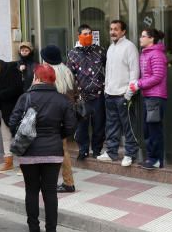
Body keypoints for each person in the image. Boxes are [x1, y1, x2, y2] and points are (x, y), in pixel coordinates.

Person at [9, 64, 77, 232]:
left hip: (29, 152)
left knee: (31, 190)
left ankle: (33, 229)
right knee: (50, 191)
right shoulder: (63, 100)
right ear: (53, 79)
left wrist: (24, 135)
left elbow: (13, 122)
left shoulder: (25, 98)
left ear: (37, 78)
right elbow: (70, 127)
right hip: (53, 151)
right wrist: (56, 135)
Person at [98, 19, 140, 166]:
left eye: (116, 29)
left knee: (128, 125)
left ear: (123, 31)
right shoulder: (110, 48)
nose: (112, 32)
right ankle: (111, 152)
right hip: (110, 94)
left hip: (124, 94)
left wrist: (129, 93)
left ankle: (130, 154)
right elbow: (108, 71)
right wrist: (106, 89)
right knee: (111, 125)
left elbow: (135, 72)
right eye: (111, 29)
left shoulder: (130, 47)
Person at [41, 44, 78, 192]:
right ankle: (66, 181)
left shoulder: (47, 74)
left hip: (51, 117)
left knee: (53, 150)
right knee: (63, 149)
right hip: (65, 116)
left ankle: (68, 183)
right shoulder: (67, 71)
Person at [130, 27, 168, 169]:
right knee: (148, 129)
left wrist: (139, 84)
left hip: (156, 97)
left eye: (143, 36)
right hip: (149, 96)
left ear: (151, 39)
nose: (140, 38)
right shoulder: (145, 54)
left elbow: (157, 76)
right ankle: (151, 158)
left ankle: (156, 160)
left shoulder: (157, 54)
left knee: (154, 130)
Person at [67, 24, 106, 161]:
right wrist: (72, 95)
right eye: (85, 34)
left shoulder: (100, 50)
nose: (88, 36)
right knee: (82, 126)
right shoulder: (72, 53)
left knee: (99, 124)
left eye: (90, 33)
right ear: (79, 36)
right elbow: (70, 75)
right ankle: (83, 150)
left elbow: (108, 68)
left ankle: (96, 150)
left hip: (98, 95)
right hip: (81, 96)